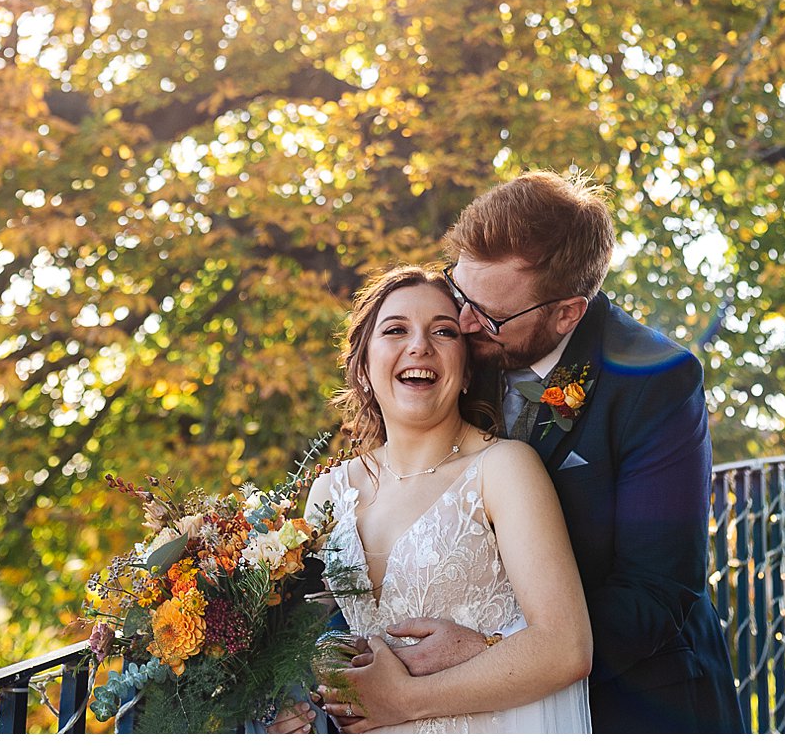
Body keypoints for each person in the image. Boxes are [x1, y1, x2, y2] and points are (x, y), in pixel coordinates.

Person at [330, 171, 746, 734]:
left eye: (491, 316)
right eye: (461, 294)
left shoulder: (656, 381)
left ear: (567, 314)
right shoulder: (462, 342)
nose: (466, 322)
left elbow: (657, 590)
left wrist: (497, 650)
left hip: (632, 699)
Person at [272, 265, 592, 733]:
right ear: (363, 367)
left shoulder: (504, 469)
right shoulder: (329, 493)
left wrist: (406, 700)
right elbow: (305, 647)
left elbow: (566, 648)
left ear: (464, 372)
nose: (419, 346)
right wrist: (285, 705)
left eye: (443, 331)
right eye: (396, 329)